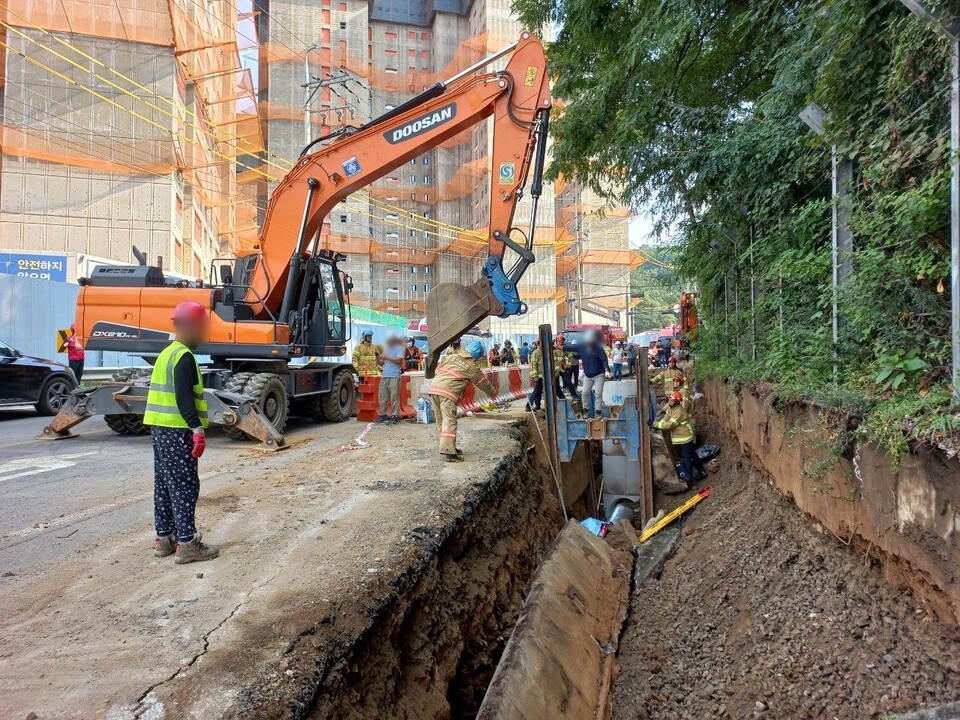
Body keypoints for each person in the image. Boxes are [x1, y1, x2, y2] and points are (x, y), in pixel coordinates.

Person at [143, 301, 218, 564]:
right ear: (190, 326)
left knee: (164, 484)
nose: (204, 333)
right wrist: (196, 429)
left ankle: (165, 539)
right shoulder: (184, 356)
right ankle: (187, 544)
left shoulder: (167, 353)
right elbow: (184, 397)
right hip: (178, 430)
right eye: (202, 327)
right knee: (185, 486)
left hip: (160, 428)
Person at [428, 339, 497, 462]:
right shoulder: (471, 366)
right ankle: (448, 452)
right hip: (447, 393)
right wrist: (493, 393)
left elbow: (441, 365)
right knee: (450, 421)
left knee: (442, 420)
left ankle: (448, 446)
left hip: (434, 389)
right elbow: (482, 383)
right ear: (477, 356)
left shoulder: (453, 356)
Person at [653, 390, 706, 486]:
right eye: (670, 399)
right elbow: (665, 419)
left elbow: (669, 425)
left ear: (677, 402)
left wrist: (655, 424)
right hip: (683, 436)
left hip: (686, 437)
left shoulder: (679, 412)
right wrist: (657, 424)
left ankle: (689, 478)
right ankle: (701, 470)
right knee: (691, 454)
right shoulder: (670, 408)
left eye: (672, 400)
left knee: (687, 456)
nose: (670, 401)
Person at [563, 330, 610, 419]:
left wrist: (607, 370)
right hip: (588, 376)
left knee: (598, 393)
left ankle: (598, 412)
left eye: (591, 342)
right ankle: (585, 410)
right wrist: (557, 347)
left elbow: (604, 360)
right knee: (585, 393)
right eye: (588, 342)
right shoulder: (582, 347)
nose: (589, 343)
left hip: (599, 375)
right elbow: (569, 347)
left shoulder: (599, 348)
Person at [376, 336, 404, 424]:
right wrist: (377, 358)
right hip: (385, 375)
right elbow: (382, 362)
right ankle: (383, 415)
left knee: (394, 396)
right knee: (382, 396)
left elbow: (399, 360)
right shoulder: (387, 349)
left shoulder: (400, 349)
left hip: (394, 375)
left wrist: (387, 357)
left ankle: (394, 415)